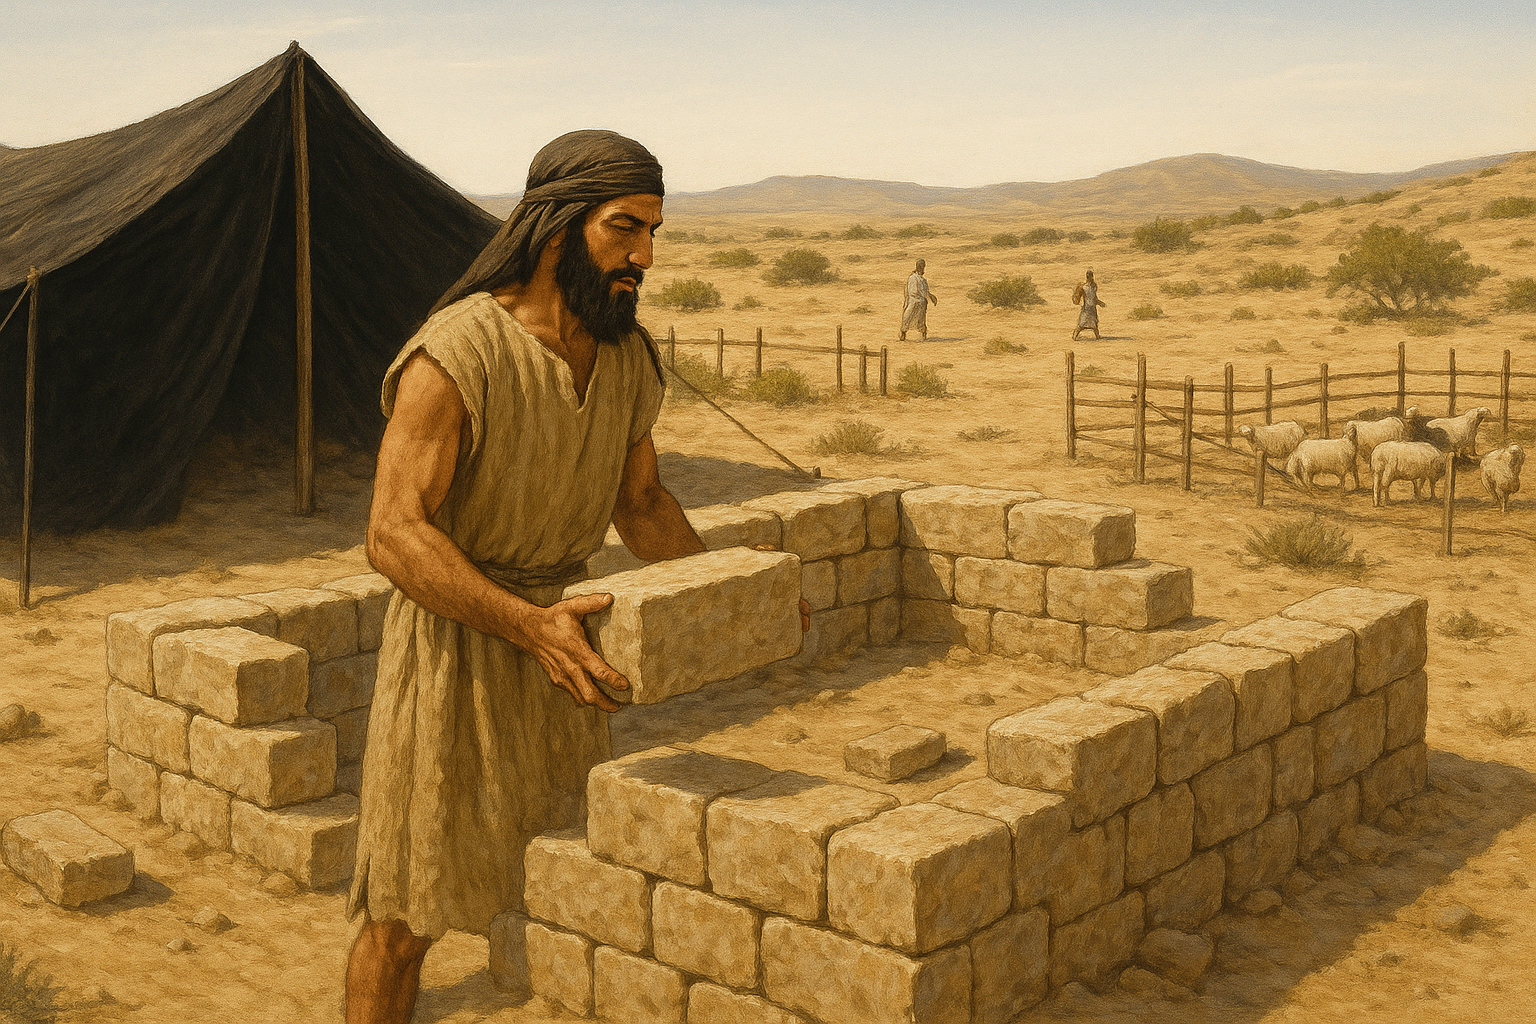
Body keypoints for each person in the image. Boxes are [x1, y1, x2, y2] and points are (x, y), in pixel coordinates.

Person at [344, 130, 751, 1024]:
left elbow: (640, 505)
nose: (644, 255)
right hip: (457, 657)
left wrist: (731, 587)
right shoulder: (455, 355)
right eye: (623, 229)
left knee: (557, 878)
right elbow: (392, 533)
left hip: (568, 663)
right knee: (406, 915)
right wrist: (527, 626)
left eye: (652, 232)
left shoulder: (627, 356)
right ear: (560, 227)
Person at [899, 258, 937, 341]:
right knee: (907, 317)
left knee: (921, 319)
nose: (921, 267)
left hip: (922, 302)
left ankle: (923, 334)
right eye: (919, 266)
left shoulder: (923, 280)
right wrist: (924, 295)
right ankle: (903, 333)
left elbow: (926, 291)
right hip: (913, 301)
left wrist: (931, 296)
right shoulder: (913, 278)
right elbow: (913, 291)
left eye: (922, 266)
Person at [1072, 268, 1106, 340]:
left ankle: (1097, 336)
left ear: (1092, 276)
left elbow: (1094, 297)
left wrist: (1100, 303)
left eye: (1090, 275)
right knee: (1081, 324)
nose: (1088, 277)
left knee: (1094, 324)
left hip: (1092, 308)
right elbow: (1078, 297)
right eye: (1087, 275)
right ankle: (1074, 336)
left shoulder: (1094, 286)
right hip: (1086, 308)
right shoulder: (1083, 286)